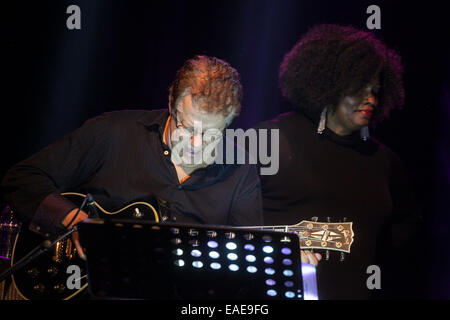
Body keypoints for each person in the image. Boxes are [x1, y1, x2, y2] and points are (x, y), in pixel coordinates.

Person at [1, 55, 263, 258]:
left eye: (211, 134)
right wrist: (76, 223)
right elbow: (22, 178)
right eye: (187, 128)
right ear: (172, 104)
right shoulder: (112, 132)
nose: (196, 144)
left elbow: (248, 260)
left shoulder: (241, 171)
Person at [252, 24, 423, 299]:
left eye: (375, 90)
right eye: (359, 88)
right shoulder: (269, 139)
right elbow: (221, 218)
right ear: (328, 84)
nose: (370, 99)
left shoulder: (385, 162)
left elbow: (401, 242)